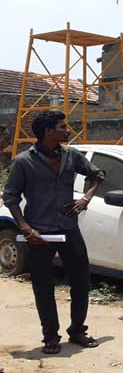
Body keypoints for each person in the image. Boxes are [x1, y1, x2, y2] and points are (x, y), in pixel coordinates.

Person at [2, 111, 105, 354]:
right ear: (49, 132)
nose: (67, 130)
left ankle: (78, 330)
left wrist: (85, 199)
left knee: (81, 282)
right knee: (43, 287)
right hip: (39, 236)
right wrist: (26, 229)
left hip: (69, 230)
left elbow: (98, 176)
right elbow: (11, 198)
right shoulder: (23, 162)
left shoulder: (72, 156)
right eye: (62, 127)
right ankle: (50, 337)